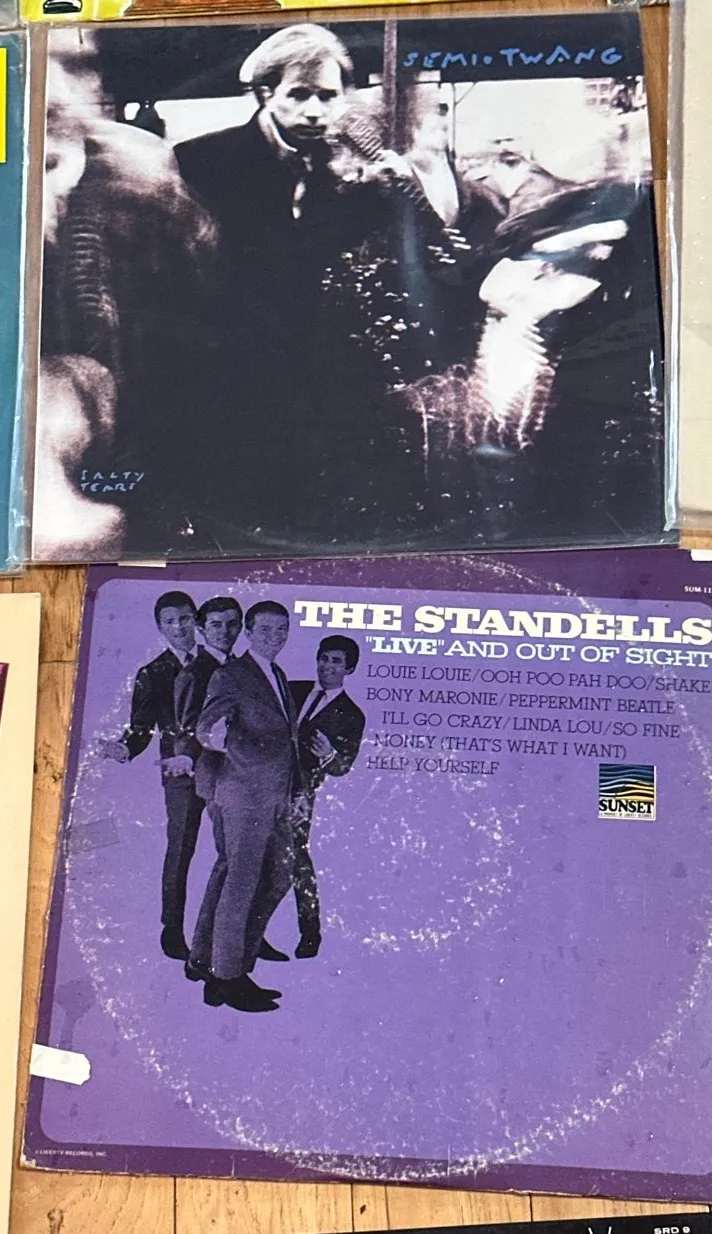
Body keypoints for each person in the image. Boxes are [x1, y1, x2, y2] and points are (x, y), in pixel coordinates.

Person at [191, 601, 299, 1014]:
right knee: (242, 881)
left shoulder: (277, 674)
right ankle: (226, 980)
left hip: (274, 795)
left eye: (282, 629)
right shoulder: (231, 674)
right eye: (266, 629)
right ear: (249, 632)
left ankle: (206, 959)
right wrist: (227, 745)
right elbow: (207, 728)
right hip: (243, 794)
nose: (275, 636)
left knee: (270, 874)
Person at [100, 591, 201, 962]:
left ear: (196, 620)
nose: (179, 627)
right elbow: (140, 728)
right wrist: (124, 749)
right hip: (179, 773)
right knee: (180, 849)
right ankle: (172, 930)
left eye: (185, 618)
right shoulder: (152, 674)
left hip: (226, 770)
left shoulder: (220, 662)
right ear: (160, 628)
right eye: (170, 622)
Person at [287, 635, 365, 958]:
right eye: (324, 658)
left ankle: (310, 932)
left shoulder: (352, 714)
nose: (327, 667)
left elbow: (343, 767)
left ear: (349, 669)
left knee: (296, 859)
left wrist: (329, 754)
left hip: (301, 792)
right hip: (263, 783)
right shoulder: (292, 689)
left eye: (336, 661)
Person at [174, 596, 243, 813]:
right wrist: (186, 755)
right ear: (201, 629)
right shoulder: (193, 674)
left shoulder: (243, 668)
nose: (225, 631)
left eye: (232, 624)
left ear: (241, 627)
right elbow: (188, 727)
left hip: (244, 773)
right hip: (216, 776)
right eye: (216, 625)